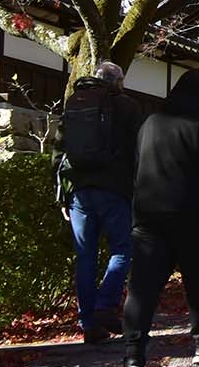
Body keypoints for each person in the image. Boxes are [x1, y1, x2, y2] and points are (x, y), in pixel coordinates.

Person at [120, 68, 199, 367]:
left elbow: (135, 168)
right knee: (198, 283)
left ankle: (134, 355)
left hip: (148, 215)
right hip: (192, 216)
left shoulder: (150, 122)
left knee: (142, 286)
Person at [57, 61, 143, 344]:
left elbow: (59, 150)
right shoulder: (127, 106)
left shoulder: (74, 102)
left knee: (85, 255)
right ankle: (105, 305)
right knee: (122, 248)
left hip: (79, 190)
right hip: (115, 189)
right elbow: (138, 150)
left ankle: (88, 323)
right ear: (118, 81)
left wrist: (61, 193)